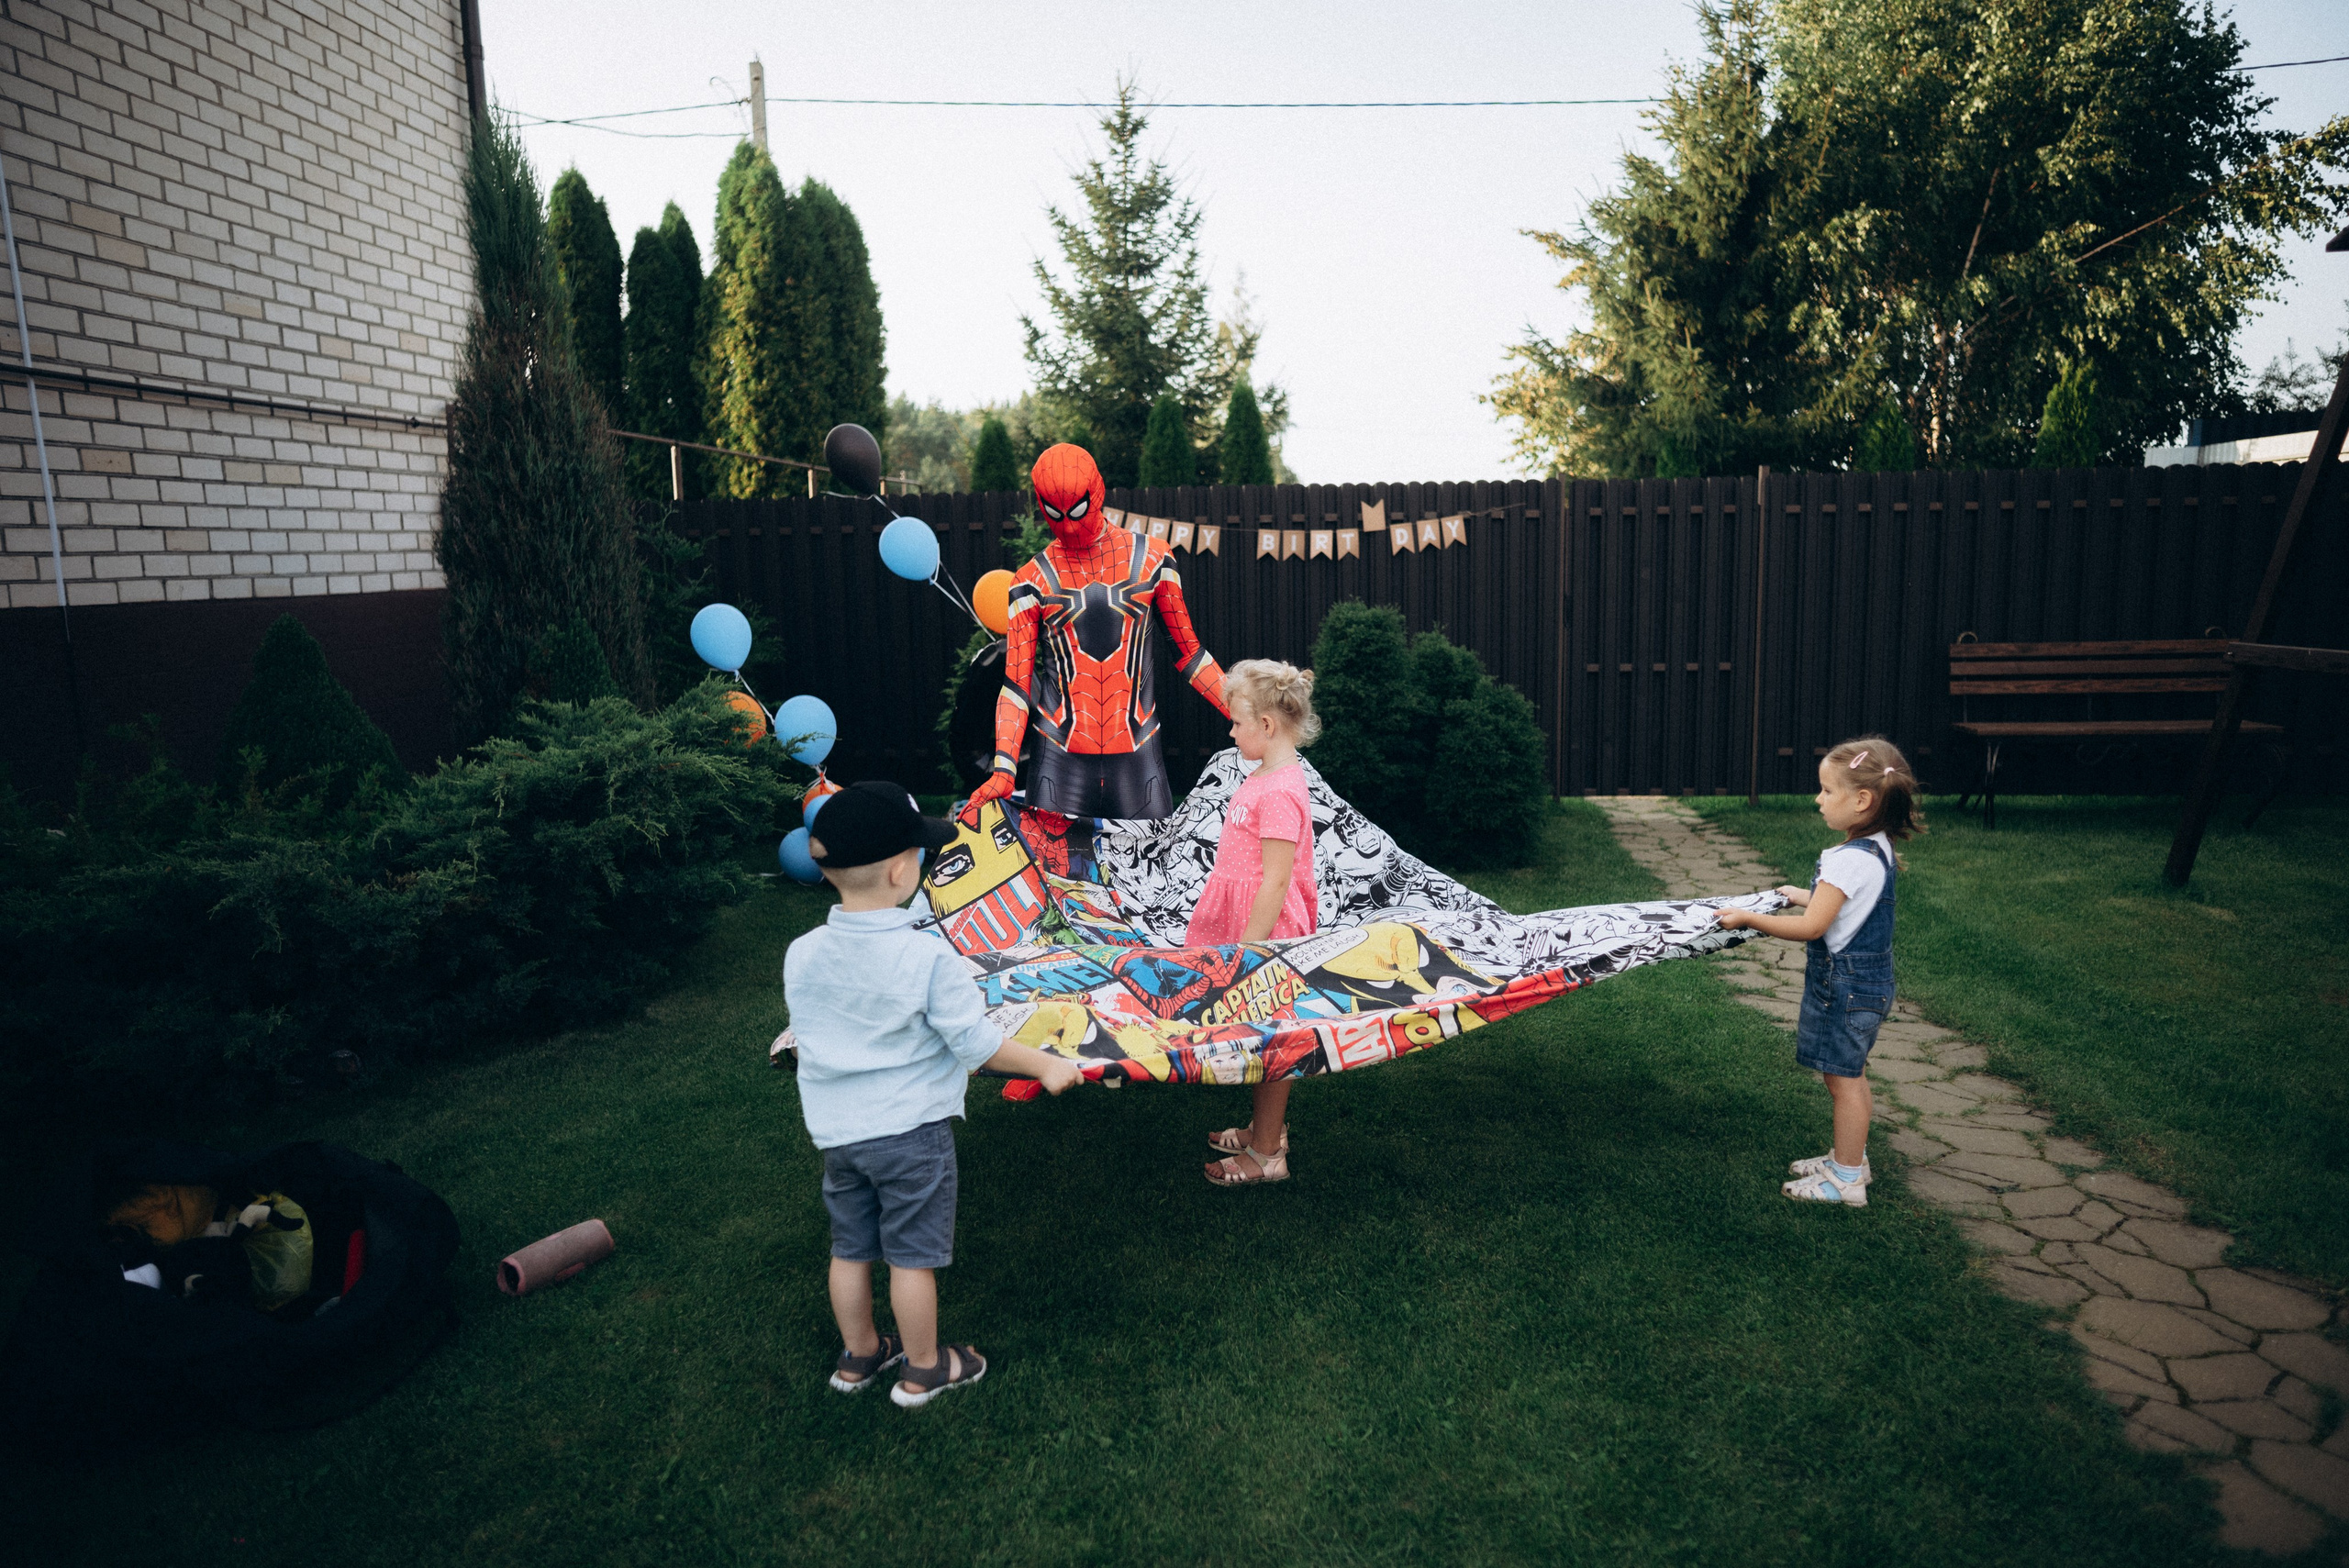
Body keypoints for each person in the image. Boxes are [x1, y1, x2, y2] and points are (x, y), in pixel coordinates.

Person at [784, 781, 1083, 1407]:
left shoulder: (801, 954)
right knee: (911, 1256)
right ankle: (924, 1367)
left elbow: (835, 1030)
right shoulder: (928, 957)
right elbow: (980, 1045)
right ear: (899, 871)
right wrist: (1047, 1066)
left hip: (839, 1134)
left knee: (851, 1247)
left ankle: (859, 1354)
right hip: (910, 1135)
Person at [1715, 738, 1923, 1207]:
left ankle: (1845, 1181)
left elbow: (1814, 929)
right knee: (1852, 1075)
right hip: (1870, 984)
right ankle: (1849, 1159)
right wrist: (1801, 892)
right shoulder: (1876, 850)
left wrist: (1748, 919)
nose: (1818, 799)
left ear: (1862, 800)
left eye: (1827, 791)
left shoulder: (1845, 859)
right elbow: (1849, 908)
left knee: (1842, 1082)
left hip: (1844, 989)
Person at [1186, 661, 1323, 1186]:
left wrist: (1249, 948)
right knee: (1261, 1033)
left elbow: (1276, 880)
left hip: (1266, 930)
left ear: (1266, 725)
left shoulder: (1282, 789)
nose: (1230, 730)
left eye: (1237, 721)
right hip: (1248, 921)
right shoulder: (1264, 775)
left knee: (1273, 1040)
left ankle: (1268, 1153)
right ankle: (1265, 1128)